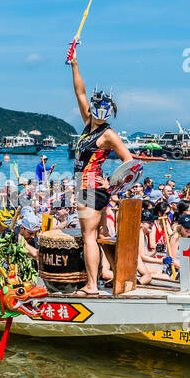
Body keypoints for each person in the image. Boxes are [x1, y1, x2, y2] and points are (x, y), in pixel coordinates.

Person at [68, 52, 134, 296]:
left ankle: (92, 285)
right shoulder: (89, 124)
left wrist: (113, 183)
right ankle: (115, 275)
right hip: (89, 187)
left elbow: (130, 161)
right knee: (102, 234)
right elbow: (80, 92)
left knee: (89, 236)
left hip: (90, 188)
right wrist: (74, 64)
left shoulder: (107, 134)